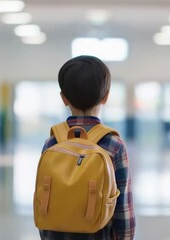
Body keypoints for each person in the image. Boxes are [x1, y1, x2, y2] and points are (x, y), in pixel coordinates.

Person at [38, 55, 136, 240]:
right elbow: (123, 208)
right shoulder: (114, 145)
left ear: (63, 98)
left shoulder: (52, 142)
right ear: (106, 97)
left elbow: (44, 198)